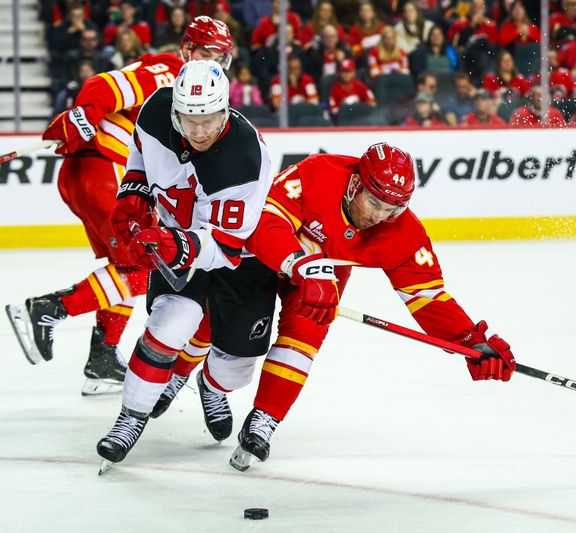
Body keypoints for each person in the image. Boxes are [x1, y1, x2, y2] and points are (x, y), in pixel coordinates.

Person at [152, 143, 517, 471]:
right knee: (216, 321)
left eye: (392, 209)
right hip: (267, 255)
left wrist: (469, 338)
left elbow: (428, 297)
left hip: (326, 275)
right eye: (374, 203)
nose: (378, 216)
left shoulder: (401, 231)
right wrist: (298, 265)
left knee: (306, 334)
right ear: (356, 184)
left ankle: (262, 417)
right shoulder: (318, 173)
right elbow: (267, 222)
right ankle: (179, 373)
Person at [5, 16, 233, 397]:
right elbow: (106, 85)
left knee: (127, 264)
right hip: (107, 173)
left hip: (101, 176)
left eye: (220, 56)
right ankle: (48, 309)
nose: (211, 62)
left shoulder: (198, 90)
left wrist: (78, 122)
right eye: (204, 52)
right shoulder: (173, 72)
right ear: (186, 50)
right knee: (145, 265)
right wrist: (84, 114)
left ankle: (103, 360)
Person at [96, 59, 276, 467]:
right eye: (188, 119)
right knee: (170, 323)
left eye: (208, 120)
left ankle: (211, 386)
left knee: (236, 368)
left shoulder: (245, 159)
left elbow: (226, 248)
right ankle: (129, 418)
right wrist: (134, 189)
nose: (198, 131)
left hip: (239, 255)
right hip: (178, 236)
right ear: (174, 109)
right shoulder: (155, 112)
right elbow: (140, 153)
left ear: (226, 109)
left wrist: (177, 243)